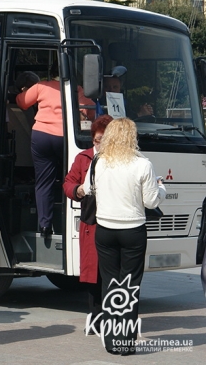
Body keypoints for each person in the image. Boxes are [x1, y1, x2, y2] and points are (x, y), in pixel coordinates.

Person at [82, 117, 165, 355]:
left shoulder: (99, 160)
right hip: (132, 230)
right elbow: (150, 200)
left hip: (105, 229)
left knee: (109, 283)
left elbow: (88, 190)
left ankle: (110, 341)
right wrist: (161, 188)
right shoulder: (142, 164)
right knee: (130, 286)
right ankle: (125, 343)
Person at [16, 68, 93, 236]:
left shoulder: (41, 86)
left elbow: (21, 102)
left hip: (41, 136)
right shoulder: (76, 89)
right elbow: (88, 110)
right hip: (64, 137)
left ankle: (45, 225)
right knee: (71, 177)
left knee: (43, 181)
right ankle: (69, 218)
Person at [62, 114, 113, 332]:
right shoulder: (83, 158)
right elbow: (68, 182)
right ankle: (94, 318)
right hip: (91, 222)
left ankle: (111, 317)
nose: (98, 143)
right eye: (96, 139)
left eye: (103, 139)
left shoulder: (118, 160)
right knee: (93, 274)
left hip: (112, 221)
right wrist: (77, 190)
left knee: (110, 273)